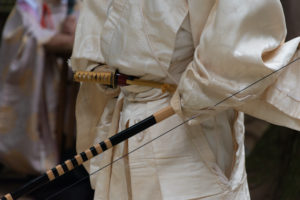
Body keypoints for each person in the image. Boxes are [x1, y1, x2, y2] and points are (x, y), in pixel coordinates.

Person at [70, 0, 300, 199]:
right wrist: (101, 69)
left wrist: (196, 93)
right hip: (128, 113)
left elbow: (239, 34)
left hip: (186, 119)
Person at [0, 0, 77, 174]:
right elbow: (30, 35)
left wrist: (76, 33)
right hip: (40, 77)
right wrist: (71, 40)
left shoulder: (76, 4)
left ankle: (66, 167)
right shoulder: (29, 4)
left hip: (67, 79)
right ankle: (43, 169)